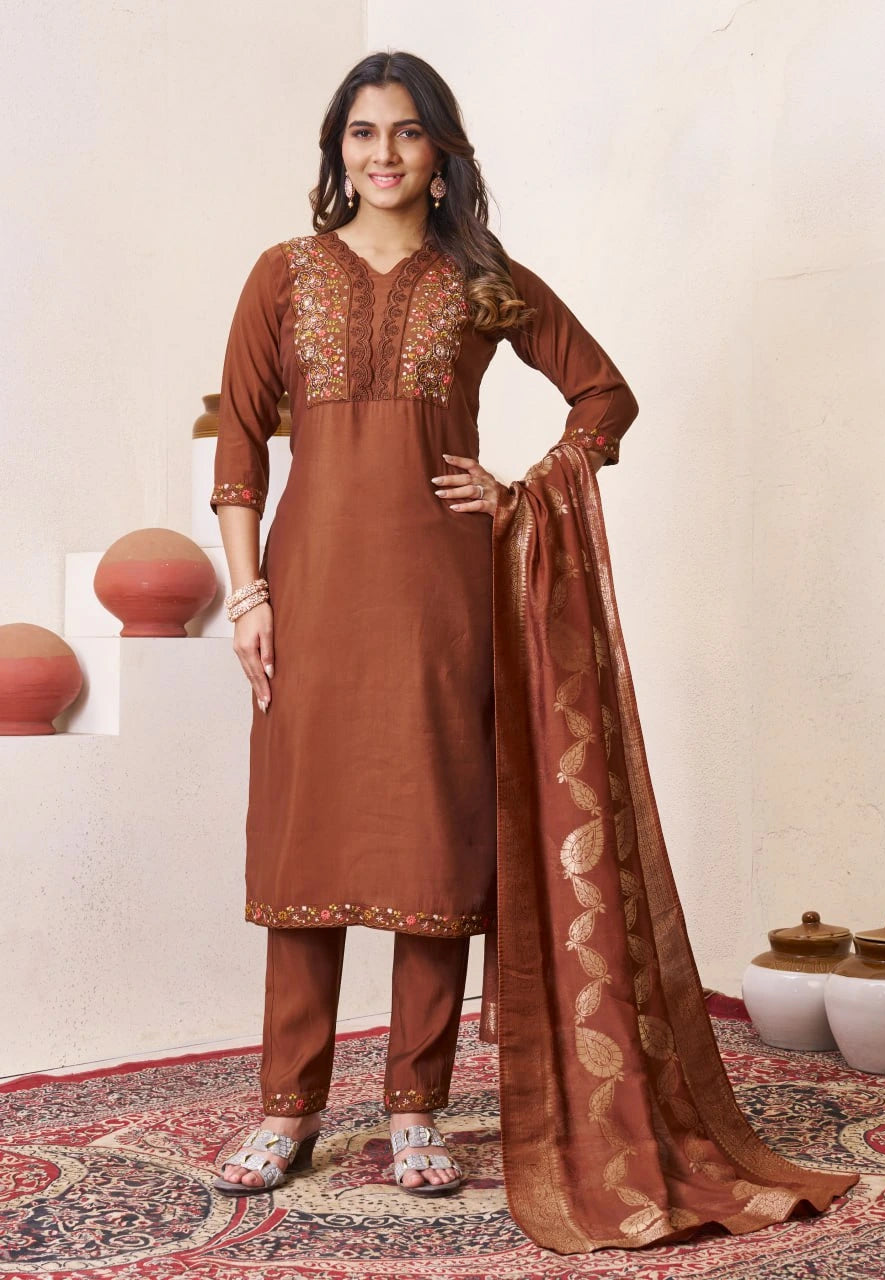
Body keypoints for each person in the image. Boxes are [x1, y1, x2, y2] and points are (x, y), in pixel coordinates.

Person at [208, 50, 636, 1200]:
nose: (383, 154)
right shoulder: (283, 275)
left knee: (434, 844)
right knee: (306, 840)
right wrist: (246, 596)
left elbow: (605, 394)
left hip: (443, 600)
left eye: (405, 132)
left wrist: (523, 491)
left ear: (441, 153)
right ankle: (286, 1107)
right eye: (361, 133)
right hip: (307, 593)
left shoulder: (481, 280)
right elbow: (240, 449)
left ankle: (415, 1106)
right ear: (336, 150)